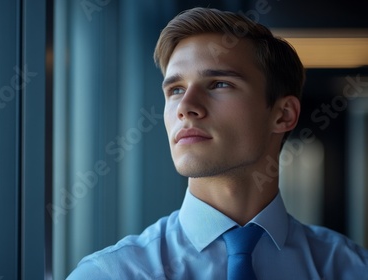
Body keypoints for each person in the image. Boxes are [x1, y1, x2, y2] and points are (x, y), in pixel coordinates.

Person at [67, 7, 368, 279]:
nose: (186, 106)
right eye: (175, 90)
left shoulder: (351, 269)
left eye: (220, 84)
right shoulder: (110, 274)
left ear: (283, 114)